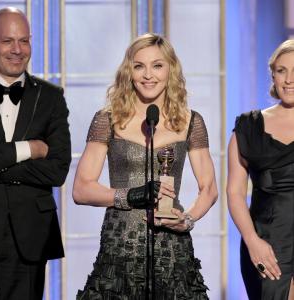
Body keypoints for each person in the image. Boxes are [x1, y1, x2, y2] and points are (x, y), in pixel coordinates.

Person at [73, 33, 218, 299]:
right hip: (120, 247)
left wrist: (187, 219)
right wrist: (129, 195)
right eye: (139, 66)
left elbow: (209, 188)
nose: (148, 75)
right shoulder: (108, 120)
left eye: (157, 66)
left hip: (171, 249)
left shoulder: (190, 122)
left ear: (170, 70)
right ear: (129, 71)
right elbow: (81, 189)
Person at [0, 7, 71, 300]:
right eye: (7, 41)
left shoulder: (51, 97)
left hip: (29, 233)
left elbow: (58, 169)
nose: (17, 50)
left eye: (24, 41)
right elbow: (42, 161)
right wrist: (29, 149)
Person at [227, 39, 294, 300]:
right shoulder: (248, 126)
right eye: (282, 70)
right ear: (273, 74)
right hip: (267, 243)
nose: (289, 80)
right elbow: (234, 193)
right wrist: (252, 241)